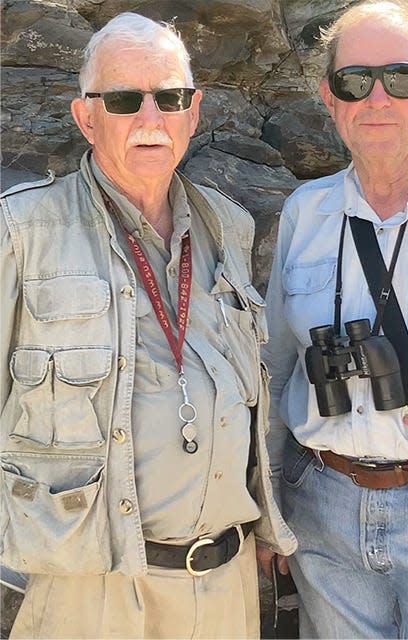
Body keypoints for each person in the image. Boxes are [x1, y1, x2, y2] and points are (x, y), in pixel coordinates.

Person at [0, 12, 296, 639]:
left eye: (169, 98)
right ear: (87, 116)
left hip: (227, 585)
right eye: (125, 99)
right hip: (93, 591)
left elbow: (255, 389)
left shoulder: (229, 227)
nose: (150, 119)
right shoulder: (20, 233)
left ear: (194, 110)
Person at [258, 0, 408, 638]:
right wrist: (270, 509)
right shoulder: (306, 211)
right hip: (322, 506)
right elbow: (276, 367)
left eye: (400, 79)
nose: (376, 98)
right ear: (330, 98)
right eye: (355, 81)